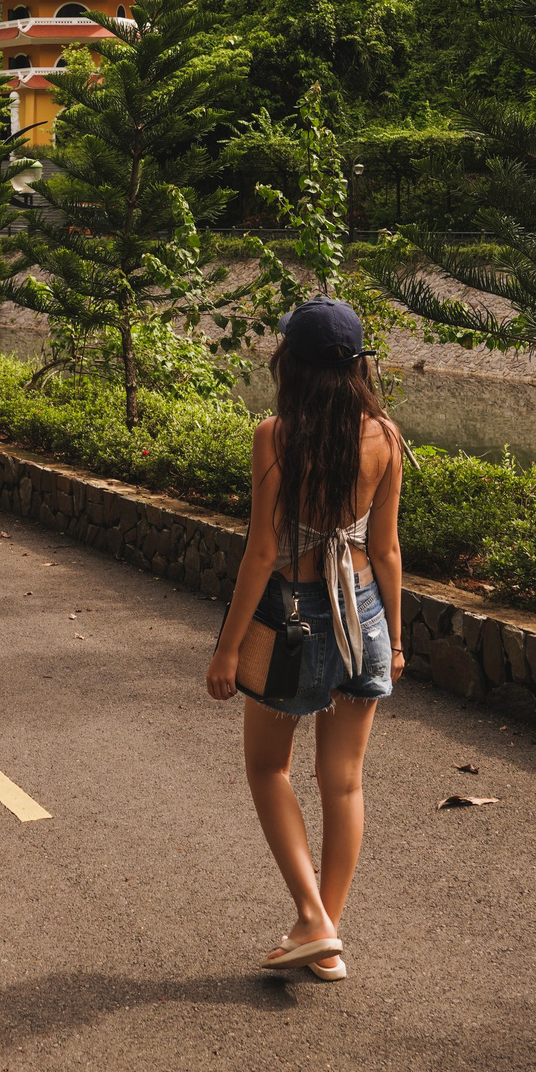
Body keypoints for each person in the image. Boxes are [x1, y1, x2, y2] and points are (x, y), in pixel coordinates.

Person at [204, 298, 406, 982]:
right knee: (344, 781)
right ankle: (326, 932)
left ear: (292, 360)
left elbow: (262, 552)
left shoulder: (276, 436)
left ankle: (315, 919)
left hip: (295, 618)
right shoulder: (384, 433)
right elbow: (387, 548)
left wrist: (228, 649)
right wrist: (398, 641)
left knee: (269, 768)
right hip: (367, 614)